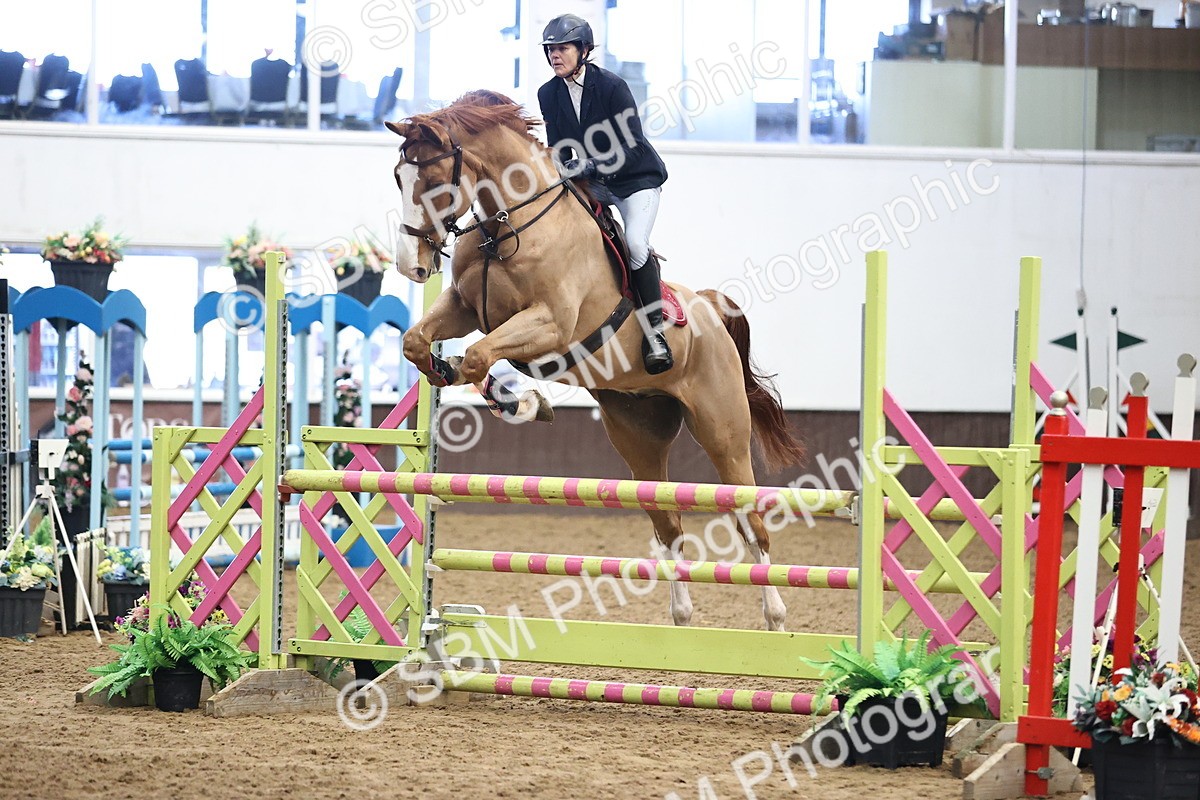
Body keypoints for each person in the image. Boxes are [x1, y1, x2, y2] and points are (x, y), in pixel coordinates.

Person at [536, 13, 673, 375]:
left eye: (562, 48)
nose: (554, 56)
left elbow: (629, 146)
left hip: (635, 180)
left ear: (583, 50)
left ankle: (655, 333)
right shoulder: (548, 93)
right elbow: (560, 149)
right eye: (550, 50)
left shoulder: (613, 87)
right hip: (594, 183)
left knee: (636, 245)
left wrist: (590, 166)